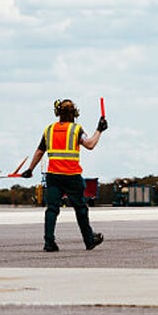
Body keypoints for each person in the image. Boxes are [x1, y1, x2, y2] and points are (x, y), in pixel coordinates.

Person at [21, 98, 108, 252]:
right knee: (80, 209)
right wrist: (99, 130)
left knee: (52, 209)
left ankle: (49, 242)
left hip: (54, 175)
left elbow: (40, 151)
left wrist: (30, 169)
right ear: (74, 113)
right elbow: (90, 144)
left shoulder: (49, 130)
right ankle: (89, 240)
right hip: (72, 175)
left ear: (58, 113)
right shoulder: (76, 130)